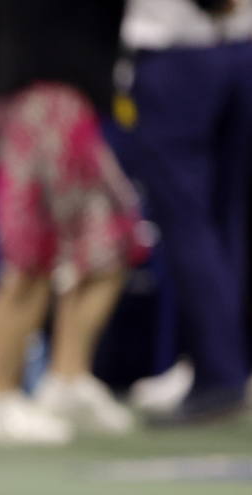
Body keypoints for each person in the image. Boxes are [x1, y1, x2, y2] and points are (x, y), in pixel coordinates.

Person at [0, 0, 150, 445]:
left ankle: (65, 377)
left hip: (26, 96)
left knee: (107, 243)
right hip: (50, 98)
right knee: (33, 255)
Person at [118, 0, 252, 423]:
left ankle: (221, 372)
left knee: (188, 224)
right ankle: (218, 362)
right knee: (227, 225)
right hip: (240, 52)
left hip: (179, 57)